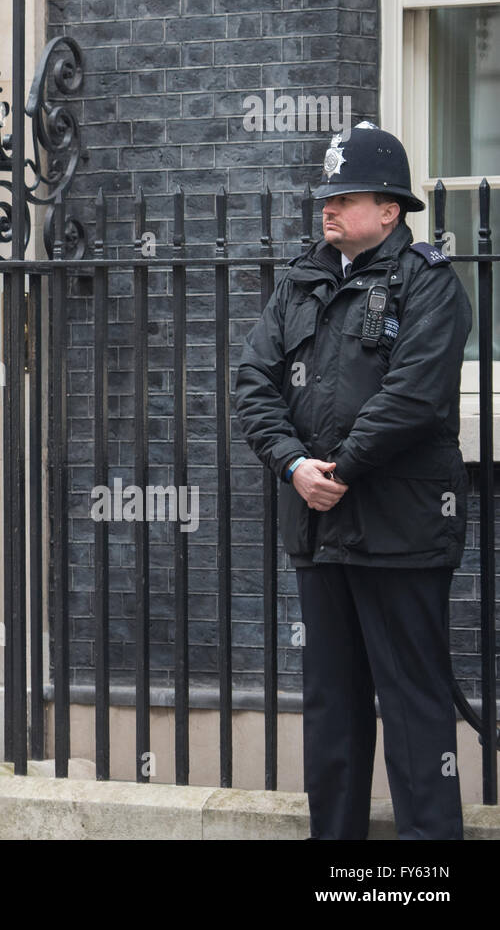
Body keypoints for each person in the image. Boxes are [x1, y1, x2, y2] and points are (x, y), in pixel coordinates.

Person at [235, 122, 472, 839]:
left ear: (390, 210)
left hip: (400, 529)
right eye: (326, 198)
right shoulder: (299, 283)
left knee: (413, 711)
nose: (328, 209)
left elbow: (415, 395)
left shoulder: (429, 284)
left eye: (346, 197)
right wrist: (292, 464)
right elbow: (254, 383)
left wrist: (339, 466)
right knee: (331, 712)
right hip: (319, 526)